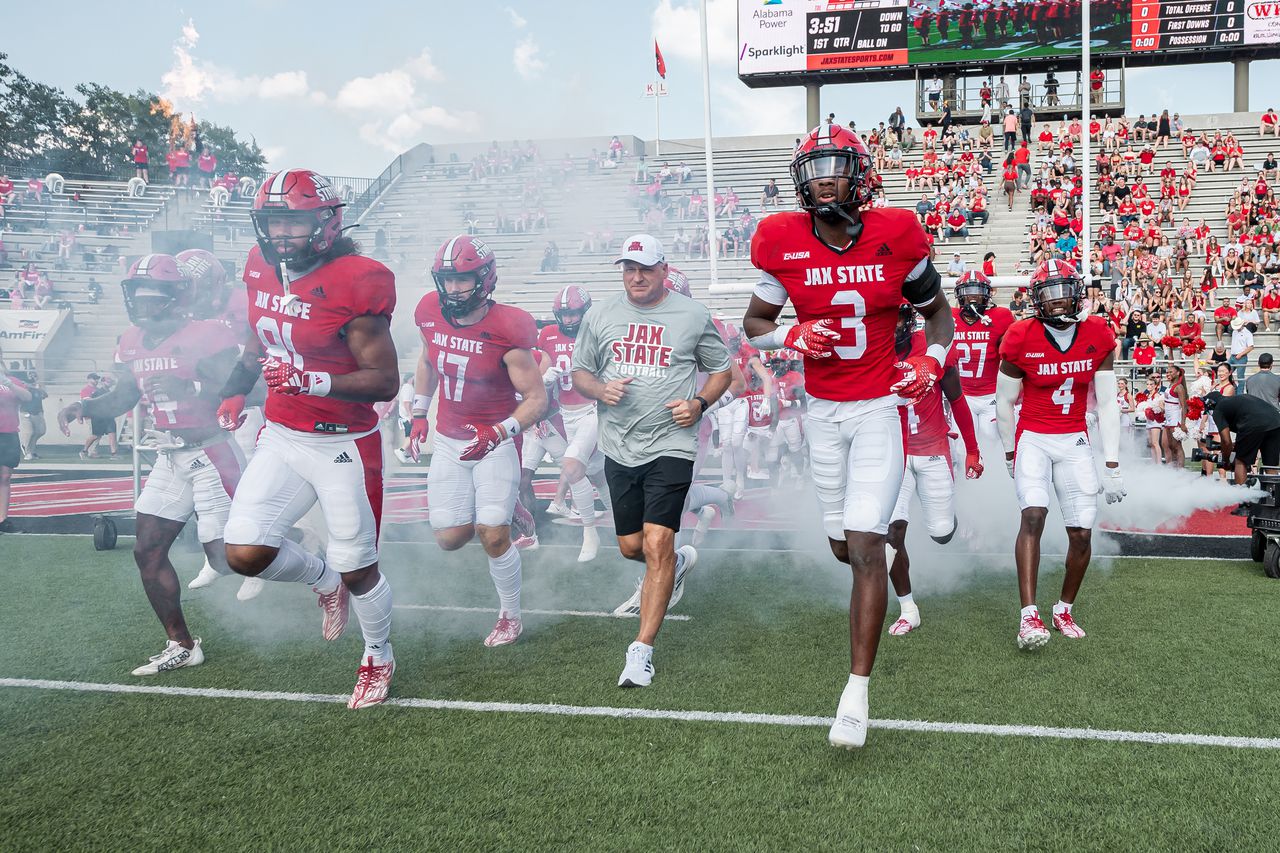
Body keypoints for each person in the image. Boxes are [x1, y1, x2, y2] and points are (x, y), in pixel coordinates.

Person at [742, 125, 953, 749]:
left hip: (877, 410)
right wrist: (789, 338)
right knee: (843, 547)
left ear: (859, 172)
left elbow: (938, 314)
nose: (824, 177)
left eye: (835, 165)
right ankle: (874, 583)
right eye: (814, 167)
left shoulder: (897, 234)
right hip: (821, 413)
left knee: (867, 544)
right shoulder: (780, 239)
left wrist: (931, 362)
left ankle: (855, 693)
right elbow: (755, 321)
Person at [217, 169, 401, 710]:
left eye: (293, 221)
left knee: (360, 564)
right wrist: (235, 389)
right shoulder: (260, 267)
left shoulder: (357, 279)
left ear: (326, 221)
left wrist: (312, 379)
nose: (281, 234)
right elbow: (260, 333)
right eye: (273, 220)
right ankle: (321, 581)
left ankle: (378, 654)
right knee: (245, 553)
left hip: (343, 441)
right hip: (282, 433)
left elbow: (385, 381)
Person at [57, 254, 245, 674]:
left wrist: (191, 382)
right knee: (147, 551)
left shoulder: (209, 332)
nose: (143, 305)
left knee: (222, 558)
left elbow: (241, 387)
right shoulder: (130, 339)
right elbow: (124, 395)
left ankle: (309, 561)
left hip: (212, 450)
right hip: (169, 456)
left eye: (153, 296)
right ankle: (181, 644)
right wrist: (84, 405)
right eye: (137, 296)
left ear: (176, 295)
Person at [571, 234, 733, 689]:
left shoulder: (692, 314)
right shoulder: (600, 314)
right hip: (619, 446)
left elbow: (723, 371)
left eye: (644, 268)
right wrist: (600, 389)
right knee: (631, 547)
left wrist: (700, 404)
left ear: (664, 269)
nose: (636, 277)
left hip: (672, 443)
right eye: (628, 268)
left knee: (657, 543)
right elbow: (580, 372)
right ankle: (678, 564)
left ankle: (640, 651)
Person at [407, 235, 547, 646]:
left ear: (486, 278)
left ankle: (510, 616)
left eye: (462, 280)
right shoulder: (428, 312)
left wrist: (500, 432)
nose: (452, 289)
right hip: (451, 440)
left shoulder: (508, 325)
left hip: (496, 439)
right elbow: (428, 359)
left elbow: (537, 399)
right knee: (450, 538)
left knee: (492, 533)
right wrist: (418, 412)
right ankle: (507, 503)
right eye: (446, 280)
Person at [996, 259, 1125, 651]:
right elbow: (1004, 401)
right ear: (1036, 298)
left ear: (1078, 292)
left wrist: (1113, 464)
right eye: (1048, 293)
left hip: (1074, 439)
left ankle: (1063, 607)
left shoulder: (1099, 333)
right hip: (1033, 435)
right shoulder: (1019, 335)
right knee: (1033, 515)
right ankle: (1028, 615)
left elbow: (1107, 404)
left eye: (1063, 291)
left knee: (1081, 533)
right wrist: (1008, 451)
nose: (1056, 301)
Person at [886, 304, 983, 636]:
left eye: (894, 315)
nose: (888, 323)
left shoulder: (932, 348)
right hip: (890, 454)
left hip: (932, 450)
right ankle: (907, 607)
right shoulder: (866, 352)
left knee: (941, 534)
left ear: (906, 317)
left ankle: (957, 520)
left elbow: (956, 399)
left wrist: (972, 449)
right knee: (891, 533)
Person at [524, 285, 612, 563]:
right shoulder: (548, 334)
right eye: (564, 314)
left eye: (573, 314)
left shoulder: (598, 333)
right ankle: (627, 524)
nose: (569, 320)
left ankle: (590, 533)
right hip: (566, 414)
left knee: (572, 466)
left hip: (593, 411)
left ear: (585, 311)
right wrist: (545, 380)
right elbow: (539, 377)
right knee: (597, 476)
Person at [949, 271, 1017, 445]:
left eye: (978, 292)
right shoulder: (949, 317)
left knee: (993, 442)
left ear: (987, 295)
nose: (973, 298)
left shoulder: (1001, 317)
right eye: (968, 292)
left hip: (992, 395)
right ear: (959, 294)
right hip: (961, 396)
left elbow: (1015, 351)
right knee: (961, 448)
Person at [1206, 390, 1280, 482]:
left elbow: (1226, 441)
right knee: (1270, 464)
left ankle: (1241, 493)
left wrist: (1226, 461)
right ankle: (1273, 493)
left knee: (1241, 461)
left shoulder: (1218, 409)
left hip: (1253, 424)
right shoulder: (1235, 400)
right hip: (1275, 421)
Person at [0, 357, 32, 532]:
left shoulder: (11, 381)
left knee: (5, 477)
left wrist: (8, 383)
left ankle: (2, 519)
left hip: (9, 433)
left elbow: (27, 396)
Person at [15, 368, 47, 460]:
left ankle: (29, 448)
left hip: (38, 411)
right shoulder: (23, 384)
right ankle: (29, 452)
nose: (33, 375)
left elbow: (45, 395)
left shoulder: (38, 386)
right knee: (30, 432)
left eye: (34, 374)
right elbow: (24, 386)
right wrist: (34, 387)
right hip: (26, 411)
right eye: (31, 374)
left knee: (40, 431)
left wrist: (39, 389)